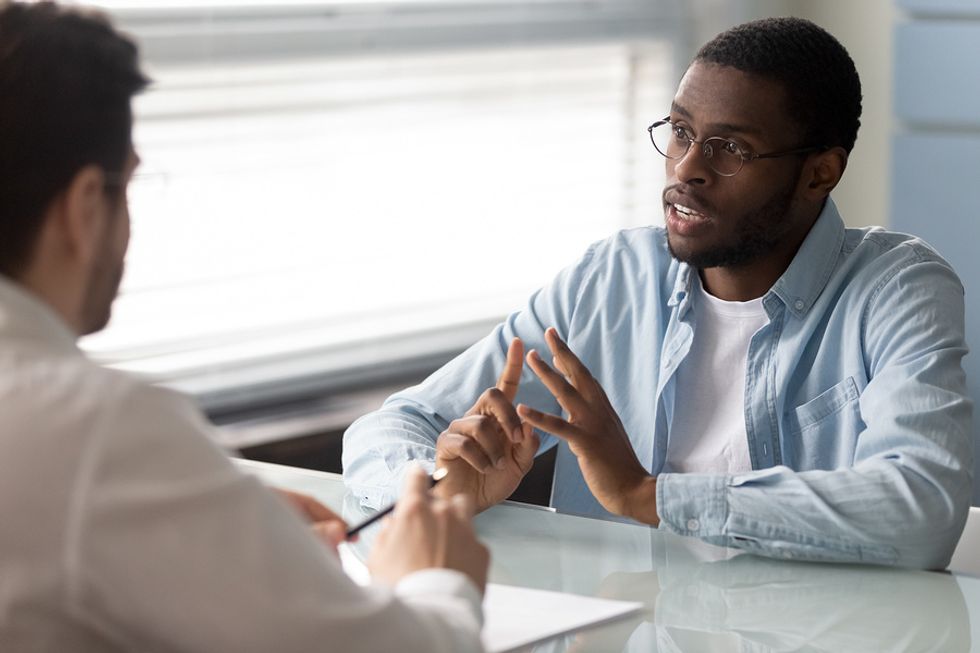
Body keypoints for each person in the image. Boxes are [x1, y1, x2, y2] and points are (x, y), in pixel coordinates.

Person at [343, 16, 973, 570]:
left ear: (820, 173)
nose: (685, 168)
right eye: (679, 131)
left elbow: (920, 512)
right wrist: (439, 485)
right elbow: (393, 426)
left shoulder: (898, 288)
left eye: (730, 148)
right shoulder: (613, 280)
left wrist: (645, 496)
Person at [0, 2, 489, 651]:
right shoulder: (96, 429)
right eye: (129, 187)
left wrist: (215, 531)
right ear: (86, 205)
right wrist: (438, 579)